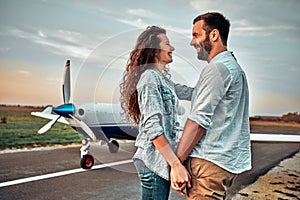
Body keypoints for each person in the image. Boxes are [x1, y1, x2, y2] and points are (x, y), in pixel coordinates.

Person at [171, 12, 252, 199]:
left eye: (196, 35)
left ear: (214, 35)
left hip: (208, 164)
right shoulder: (231, 67)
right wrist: (166, 85)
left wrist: (176, 163)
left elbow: (197, 121)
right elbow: (196, 94)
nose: (192, 42)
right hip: (220, 163)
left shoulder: (217, 69)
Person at [120, 26, 193, 200]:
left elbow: (194, 93)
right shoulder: (149, 78)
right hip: (152, 161)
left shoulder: (163, 81)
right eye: (167, 44)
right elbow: (152, 126)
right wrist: (175, 164)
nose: (172, 48)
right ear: (154, 49)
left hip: (160, 161)